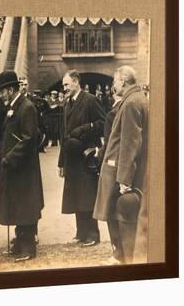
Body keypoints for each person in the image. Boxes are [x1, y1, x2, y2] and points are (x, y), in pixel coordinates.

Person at [93, 66, 148, 264]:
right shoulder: (136, 99)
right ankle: (121, 254)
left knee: (119, 214)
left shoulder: (131, 103)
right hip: (118, 168)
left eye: (115, 81)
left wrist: (124, 179)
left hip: (118, 171)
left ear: (123, 81)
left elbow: (130, 143)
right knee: (117, 214)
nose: (113, 86)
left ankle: (123, 256)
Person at [0, 71, 44, 262]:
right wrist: (0, 159)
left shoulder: (26, 108)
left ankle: (28, 248)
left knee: (25, 207)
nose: (1, 95)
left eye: (2, 91)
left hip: (24, 169)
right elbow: (7, 137)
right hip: (15, 168)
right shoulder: (15, 107)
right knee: (18, 206)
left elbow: (29, 138)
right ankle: (20, 243)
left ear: (10, 90)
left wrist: (8, 158)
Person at [58, 70, 105, 247]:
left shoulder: (90, 100)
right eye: (63, 85)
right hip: (71, 158)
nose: (64, 88)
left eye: (67, 85)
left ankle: (93, 234)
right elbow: (63, 135)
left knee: (88, 194)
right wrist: (61, 162)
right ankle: (81, 232)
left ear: (76, 82)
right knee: (76, 194)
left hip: (86, 156)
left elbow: (102, 124)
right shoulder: (67, 103)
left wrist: (85, 128)